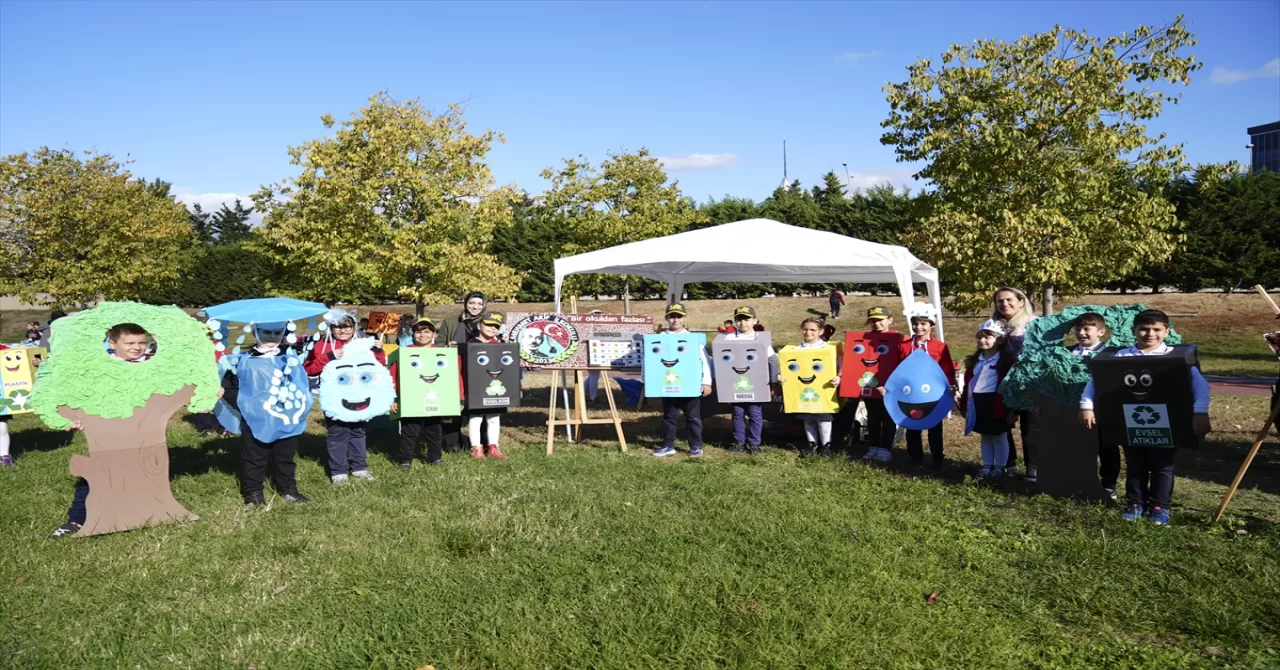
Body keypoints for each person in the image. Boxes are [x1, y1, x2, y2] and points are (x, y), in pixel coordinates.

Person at [1080, 309, 1210, 525]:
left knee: (1163, 465)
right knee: (1135, 463)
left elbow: (1200, 387)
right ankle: (1135, 503)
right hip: (1129, 422)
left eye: (1156, 329)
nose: (1150, 334)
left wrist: (1200, 412)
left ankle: (1160, 507)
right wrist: (1086, 406)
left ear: (1166, 332)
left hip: (1168, 422)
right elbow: (1096, 382)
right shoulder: (1120, 357)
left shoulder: (1177, 359)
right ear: (1134, 331)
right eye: (1144, 329)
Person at [50, 323, 154, 536]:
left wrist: (207, 391)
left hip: (143, 433)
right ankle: (77, 520)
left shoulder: (152, 365)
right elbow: (74, 394)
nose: (137, 347)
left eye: (142, 342)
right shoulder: (99, 368)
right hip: (107, 432)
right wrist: (70, 419)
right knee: (96, 475)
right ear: (112, 344)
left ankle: (131, 514)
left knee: (138, 473)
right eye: (130, 343)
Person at [223, 322, 311, 508]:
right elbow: (230, 386)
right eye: (266, 332)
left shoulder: (290, 358)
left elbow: (301, 383)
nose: (272, 336)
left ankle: (288, 489)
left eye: (277, 332)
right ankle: (253, 493)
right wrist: (245, 406)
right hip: (255, 419)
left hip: (287, 418)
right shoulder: (241, 360)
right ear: (256, 332)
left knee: (285, 457)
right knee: (254, 458)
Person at [305, 311, 387, 484]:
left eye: (346, 326)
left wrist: (379, 350)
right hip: (334, 397)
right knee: (338, 432)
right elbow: (310, 369)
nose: (342, 330)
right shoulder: (322, 345)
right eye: (338, 326)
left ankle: (359, 468)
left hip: (360, 395)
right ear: (331, 328)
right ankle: (338, 472)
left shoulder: (363, 344)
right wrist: (328, 357)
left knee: (358, 431)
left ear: (353, 327)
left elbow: (378, 365)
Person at [389, 318, 453, 469]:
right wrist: (393, 397)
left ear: (433, 334)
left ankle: (435, 457)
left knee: (434, 430)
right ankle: (406, 460)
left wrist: (457, 399)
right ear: (413, 334)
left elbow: (450, 377)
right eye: (418, 331)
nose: (422, 335)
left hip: (434, 399)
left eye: (426, 331)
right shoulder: (403, 353)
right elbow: (393, 376)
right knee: (409, 431)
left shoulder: (441, 353)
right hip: (410, 399)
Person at [1069, 312, 1118, 499]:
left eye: (1087, 329)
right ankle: (1082, 481)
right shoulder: (1066, 352)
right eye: (1078, 329)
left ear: (1101, 332)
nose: (1082, 333)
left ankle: (1109, 485)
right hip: (1072, 407)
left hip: (1102, 408)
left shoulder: (1110, 354)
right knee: (1078, 446)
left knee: (1106, 447)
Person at [899, 303, 954, 470]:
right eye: (915, 323)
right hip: (911, 393)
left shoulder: (940, 346)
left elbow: (946, 368)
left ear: (931, 325)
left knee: (934, 427)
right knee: (912, 426)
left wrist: (951, 385)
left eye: (923, 323)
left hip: (933, 393)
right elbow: (898, 368)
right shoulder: (904, 345)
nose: (919, 327)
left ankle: (938, 459)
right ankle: (915, 458)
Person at [653, 303, 712, 457]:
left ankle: (696, 446)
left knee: (693, 417)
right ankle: (667, 445)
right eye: (672, 316)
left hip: (690, 386)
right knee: (669, 416)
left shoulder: (693, 339)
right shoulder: (659, 339)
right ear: (667, 318)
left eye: (679, 316)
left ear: (685, 318)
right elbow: (651, 361)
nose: (675, 319)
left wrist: (706, 381)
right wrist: (649, 381)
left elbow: (705, 361)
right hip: (669, 386)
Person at [992, 287, 1038, 481]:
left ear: (1021, 301)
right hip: (1002, 381)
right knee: (1003, 423)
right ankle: (1008, 463)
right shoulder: (995, 326)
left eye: (1009, 300)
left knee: (1030, 426)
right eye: (1000, 301)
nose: (1004, 304)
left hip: (1030, 382)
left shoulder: (1033, 324)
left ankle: (1033, 467)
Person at [779, 317, 841, 457]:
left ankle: (826, 446)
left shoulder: (828, 348)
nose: (808, 332)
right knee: (808, 418)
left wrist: (839, 376)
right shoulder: (794, 349)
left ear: (821, 331)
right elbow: (784, 366)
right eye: (805, 329)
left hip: (824, 390)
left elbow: (840, 362)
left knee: (824, 418)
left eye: (813, 329)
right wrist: (780, 376)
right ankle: (812, 444)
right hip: (803, 391)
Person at [959, 320, 1014, 478]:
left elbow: (1013, 387)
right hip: (978, 402)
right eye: (980, 337)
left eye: (987, 337)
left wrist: (1014, 409)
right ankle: (987, 466)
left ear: (1000, 340)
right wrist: (964, 406)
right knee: (985, 434)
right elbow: (967, 385)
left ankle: (1000, 467)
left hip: (997, 403)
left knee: (999, 435)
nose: (982, 341)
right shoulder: (974, 361)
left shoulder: (1007, 362)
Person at [845, 306, 899, 463]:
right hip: (869, 385)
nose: (877, 324)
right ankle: (873, 446)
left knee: (888, 418)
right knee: (872, 417)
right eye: (873, 321)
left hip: (889, 387)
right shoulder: (864, 338)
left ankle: (885, 448)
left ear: (890, 320)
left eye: (880, 320)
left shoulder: (898, 338)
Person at [722, 306, 779, 454]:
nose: (743, 323)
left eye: (747, 319)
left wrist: (773, 382)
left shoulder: (760, 339)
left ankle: (754, 443)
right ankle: (739, 442)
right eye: (739, 319)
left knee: (755, 414)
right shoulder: (728, 338)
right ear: (735, 321)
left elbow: (772, 360)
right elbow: (722, 361)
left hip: (756, 384)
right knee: (737, 413)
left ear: (754, 320)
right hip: (735, 384)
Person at [466, 312, 509, 459]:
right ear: (479, 325)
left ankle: (493, 447)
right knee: (476, 418)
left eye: (496, 326)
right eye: (489, 324)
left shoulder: (501, 346)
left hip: (495, 389)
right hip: (476, 389)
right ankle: (476, 448)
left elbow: (509, 370)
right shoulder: (471, 345)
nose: (492, 328)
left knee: (494, 418)